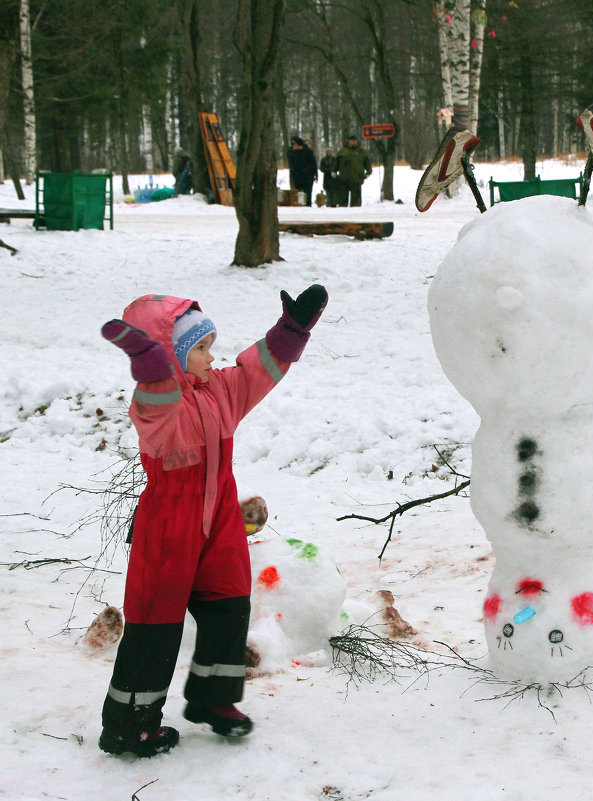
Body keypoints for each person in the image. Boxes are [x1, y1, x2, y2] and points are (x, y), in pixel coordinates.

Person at [97, 285, 328, 758]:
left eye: (209, 345)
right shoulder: (156, 406)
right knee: (155, 624)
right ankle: (129, 724)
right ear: (169, 356)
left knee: (229, 604)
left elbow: (254, 373)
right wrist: (153, 369)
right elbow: (156, 401)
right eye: (199, 348)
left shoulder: (219, 390)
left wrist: (291, 331)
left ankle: (213, 700)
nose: (210, 355)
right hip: (169, 523)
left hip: (218, 514)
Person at [336, 134, 373, 207]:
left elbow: (367, 163)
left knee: (356, 202)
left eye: (355, 141)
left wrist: (368, 172)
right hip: (344, 178)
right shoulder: (342, 151)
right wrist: (334, 171)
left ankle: (355, 214)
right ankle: (343, 214)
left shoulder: (362, 151)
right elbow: (337, 163)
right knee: (342, 201)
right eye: (352, 141)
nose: (353, 142)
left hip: (357, 178)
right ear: (348, 141)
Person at [286, 136, 318, 206]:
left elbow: (313, 164)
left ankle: (307, 205)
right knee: (298, 193)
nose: (293, 146)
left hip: (307, 177)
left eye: (295, 144)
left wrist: (315, 174)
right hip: (297, 176)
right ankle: (300, 206)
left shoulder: (308, 152)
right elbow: (292, 164)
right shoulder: (293, 152)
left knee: (307, 193)